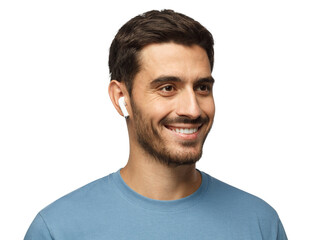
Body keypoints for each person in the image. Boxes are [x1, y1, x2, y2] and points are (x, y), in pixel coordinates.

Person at [24, 9, 287, 240]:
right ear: (121, 97)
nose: (192, 109)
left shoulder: (260, 223)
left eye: (202, 87)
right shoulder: (58, 230)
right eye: (168, 88)